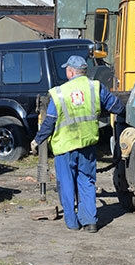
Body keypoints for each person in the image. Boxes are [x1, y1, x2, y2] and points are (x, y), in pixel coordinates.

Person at [31, 55, 124, 233]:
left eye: (67, 69)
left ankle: (72, 223)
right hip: (87, 145)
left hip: (65, 147)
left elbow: (49, 122)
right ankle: (90, 222)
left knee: (66, 183)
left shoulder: (59, 93)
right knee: (87, 181)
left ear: (71, 71)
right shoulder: (95, 87)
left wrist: (37, 140)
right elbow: (116, 106)